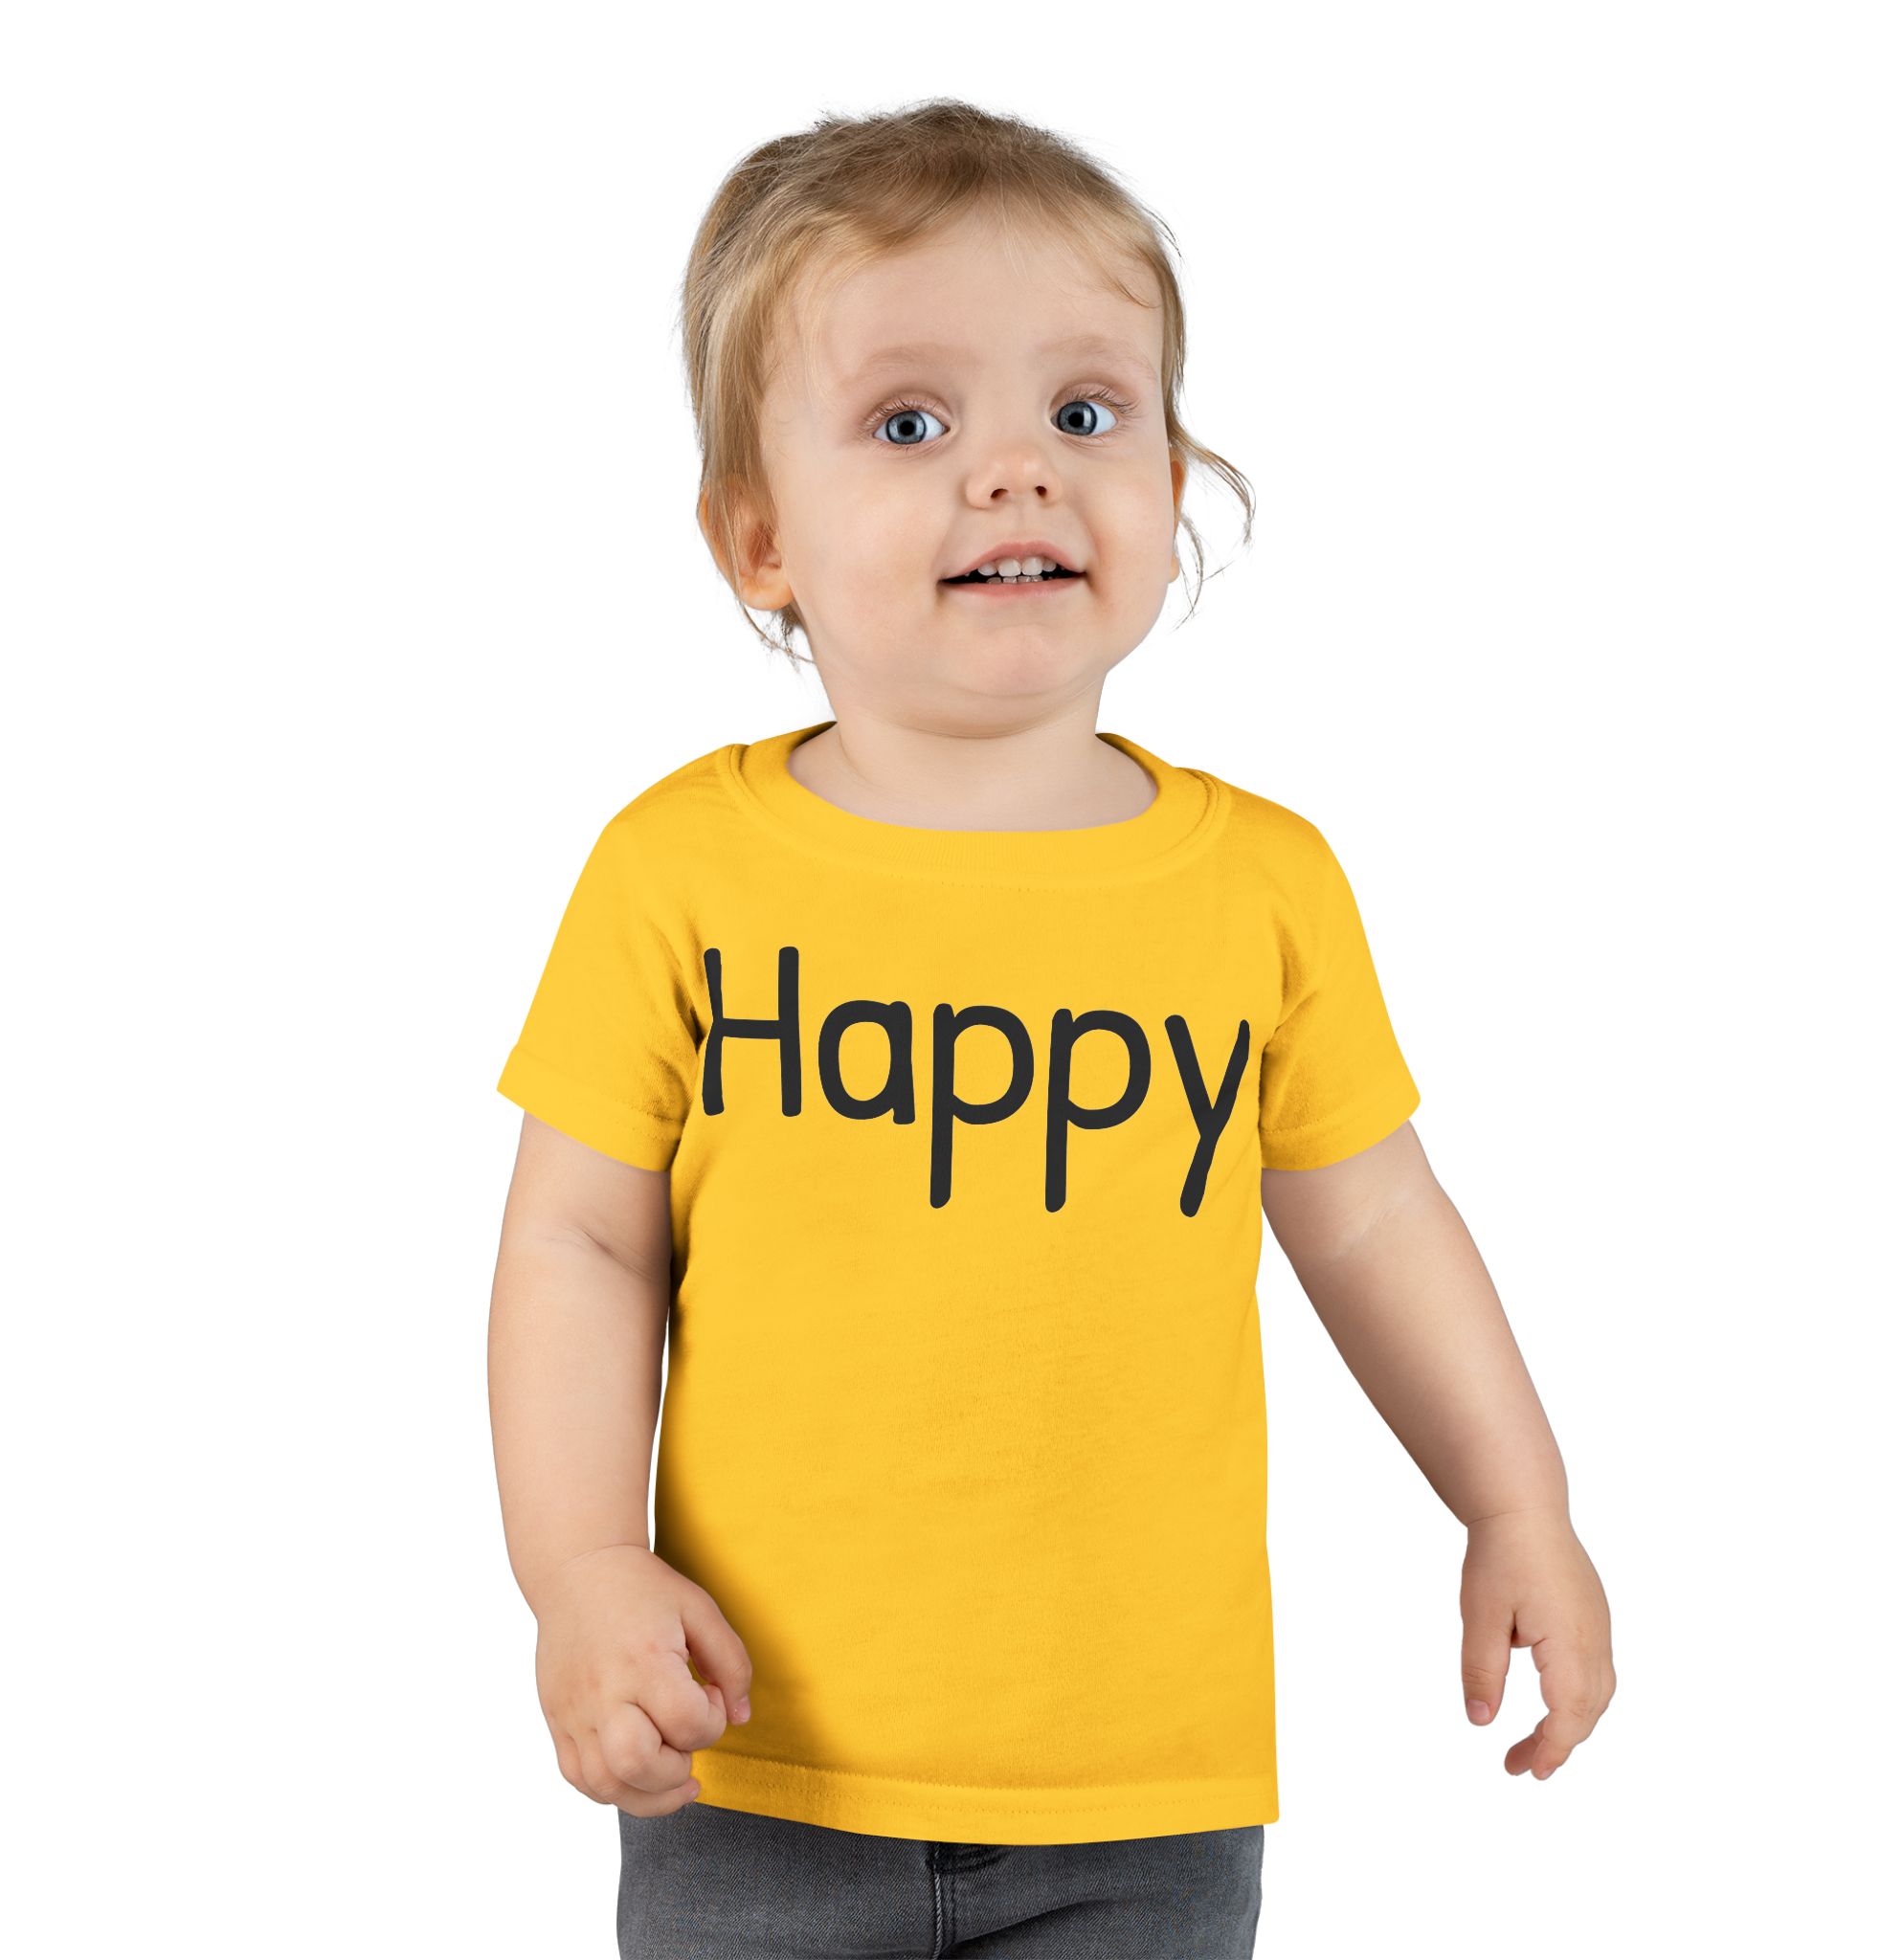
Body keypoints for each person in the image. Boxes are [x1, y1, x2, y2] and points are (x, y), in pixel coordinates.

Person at [487, 98, 1615, 1960]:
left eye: (1086, 412)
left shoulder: (1261, 886)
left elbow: (1374, 1219)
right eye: (910, 423)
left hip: (1142, 1799)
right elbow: (579, 1243)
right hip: (752, 1766)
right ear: (758, 536)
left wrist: (1520, 1501)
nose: (1016, 472)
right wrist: (580, 1568)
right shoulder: (678, 870)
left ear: (1173, 478)